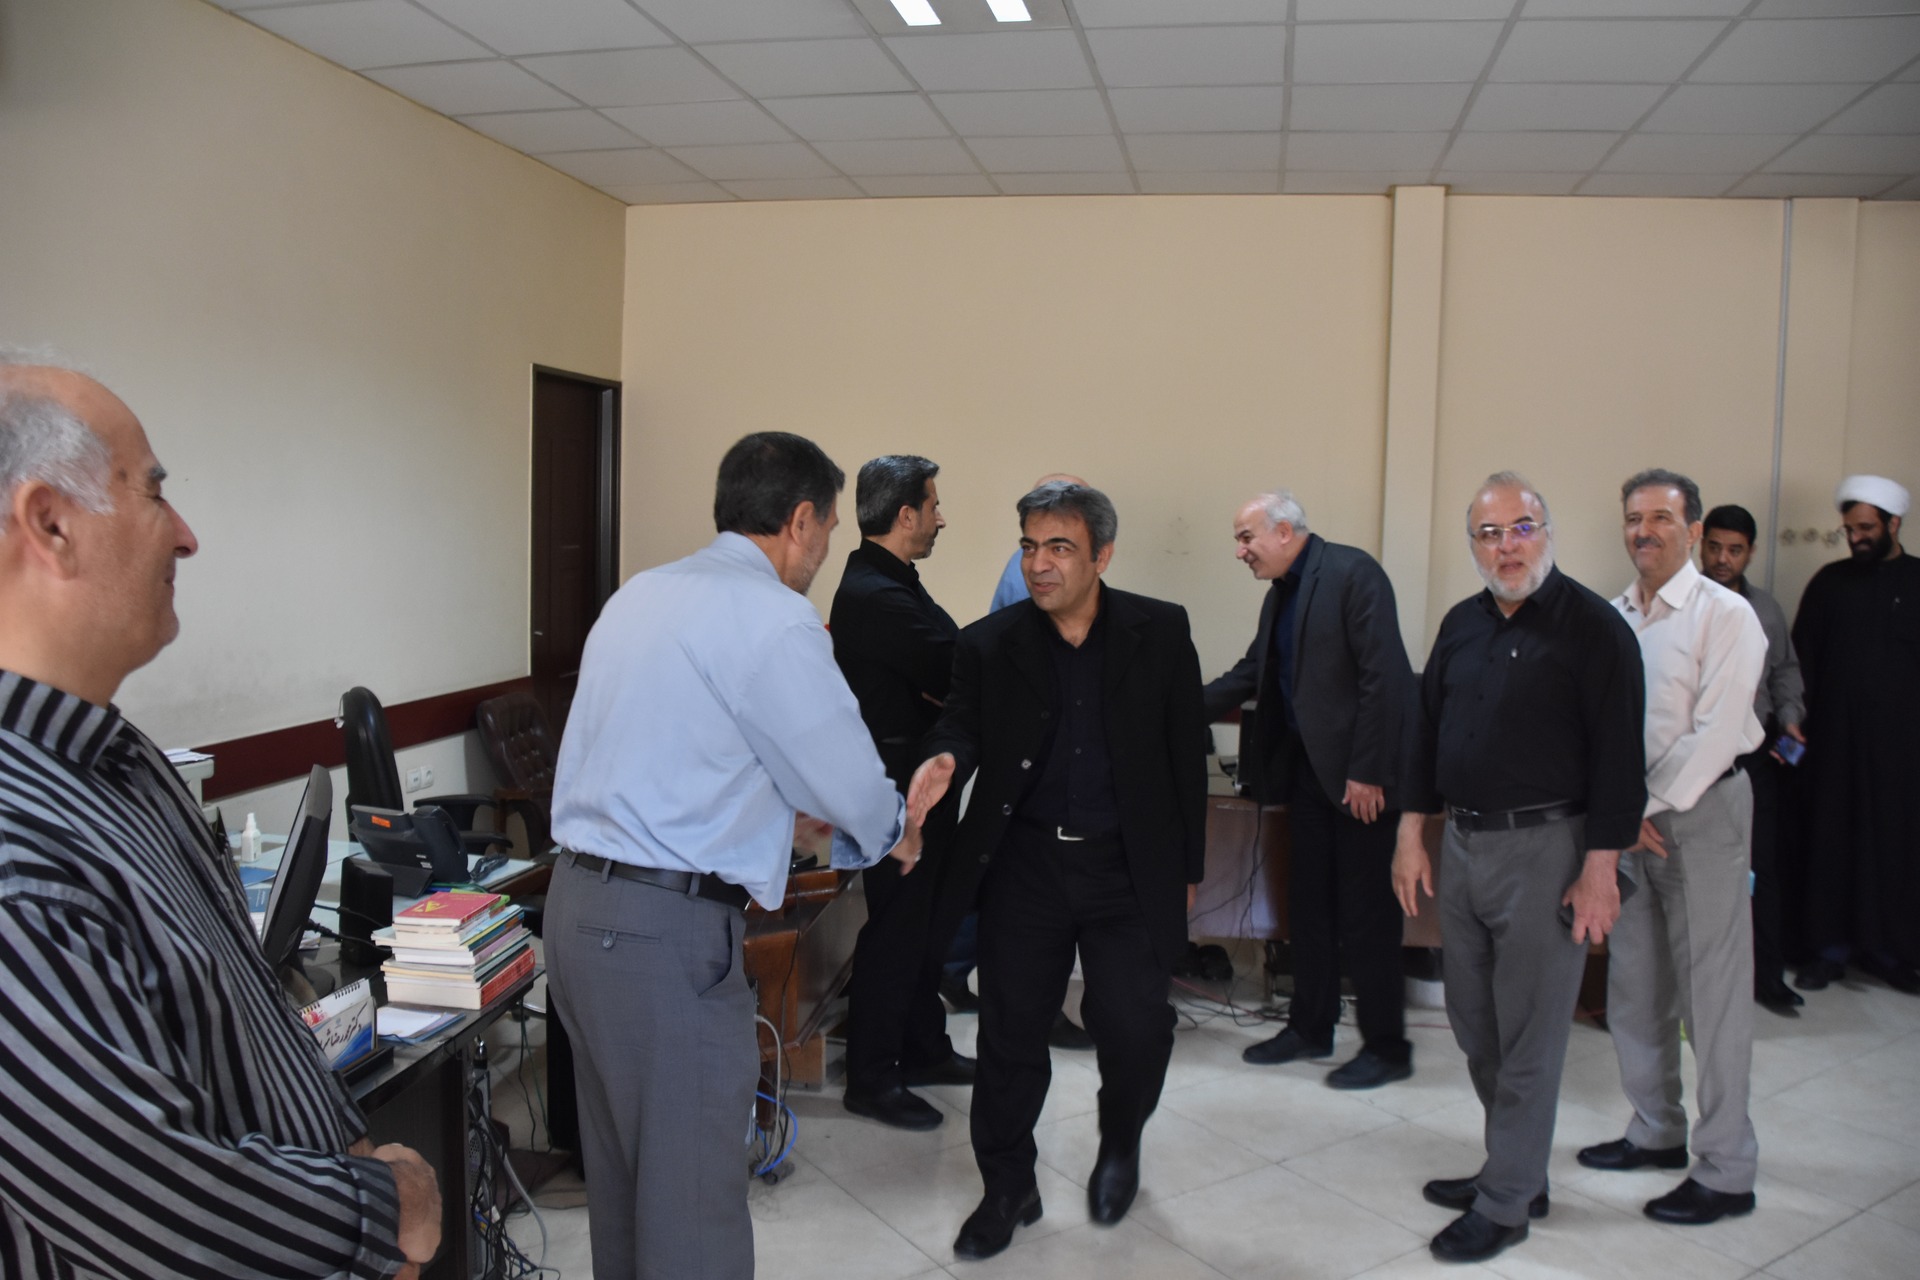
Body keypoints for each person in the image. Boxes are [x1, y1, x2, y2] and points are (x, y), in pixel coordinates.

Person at [0, 352, 440, 1279]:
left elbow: (239, 1023)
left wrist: (348, 1150)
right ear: (51, 524)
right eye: (155, 493)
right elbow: (141, 1194)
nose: (186, 536)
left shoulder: (122, 759)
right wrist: (378, 1210)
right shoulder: (18, 846)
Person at [545, 432, 922, 1280]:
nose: (824, 551)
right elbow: (850, 785)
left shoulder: (641, 594)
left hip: (577, 912)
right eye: (829, 529)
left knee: (626, 1186)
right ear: (800, 520)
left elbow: (678, 764)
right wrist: (895, 825)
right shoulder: (772, 617)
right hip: (663, 936)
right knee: (692, 1204)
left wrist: (775, 819)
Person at [908, 482, 1206, 1260]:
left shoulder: (1160, 631)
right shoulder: (989, 643)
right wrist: (945, 758)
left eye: (1059, 548)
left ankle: (1120, 1142)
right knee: (1010, 1037)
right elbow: (960, 725)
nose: (1038, 564)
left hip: (1126, 868)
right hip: (1026, 867)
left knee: (1136, 1026)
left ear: (1102, 555)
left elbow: (1186, 755)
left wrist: (1189, 869)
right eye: (1029, 546)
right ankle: (1008, 1186)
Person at [1393, 471, 1646, 1265]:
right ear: (1473, 545)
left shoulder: (1596, 630)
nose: (1508, 546)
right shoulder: (1460, 625)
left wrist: (1599, 869)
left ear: (1548, 532)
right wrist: (1410, 833)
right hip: (1464, 845)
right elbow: (1424, 733)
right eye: (1490, 533)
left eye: (1523, 528)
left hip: (1550, 849)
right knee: (1476, 1026)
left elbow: (1620, 760)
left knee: (1532, 1035)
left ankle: (1506, 1203)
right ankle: (1517, 1166)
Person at [1577, 470, 1767, 1227]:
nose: (1644, 530)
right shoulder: (1613, 616)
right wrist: (1619, 816)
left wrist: (1634, 809)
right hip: (1631, 827)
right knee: (1635, 986)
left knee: (1711, 998)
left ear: (1692, 531)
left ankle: (1726, 1169)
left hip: (1703, 816)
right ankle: (1655, 1129)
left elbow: (1715, 735)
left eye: (1661, 517)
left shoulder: (1727, 615)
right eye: (1633, 517)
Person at [1202, 491, 1416, 1089]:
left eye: (1246, 538)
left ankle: (1387, 1048)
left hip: (1359, 783)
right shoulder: (1282, 595)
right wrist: (1176, 708)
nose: (1241, 551)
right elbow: (1252, 673)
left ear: (1284, 531)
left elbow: (1384, 677)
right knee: (1310, 909)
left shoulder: (1352, 573)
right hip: (1309, 777)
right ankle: (1310, 1026)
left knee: (1368, 917)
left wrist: (1368, 771)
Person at [831, 454, 974, 1131]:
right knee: (896, 931)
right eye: (933, 506)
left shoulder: (895, 581)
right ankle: (871, 1076)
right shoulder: (873, 593)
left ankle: (923, 1048)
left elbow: (952, 662)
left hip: (918, 778)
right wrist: (947, 688)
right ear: (905, 513)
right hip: (893, 791)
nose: (941, 519)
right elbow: (953, 668)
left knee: (924, 925)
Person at [967, 470, 1098, 1053]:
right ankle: (1031, 1010)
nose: (1040, 559)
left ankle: (957, 967)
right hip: (1031, 759)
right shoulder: (1035, 577)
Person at [1791, 474, 1920, 994]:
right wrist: (1795, 727)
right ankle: (1828, 951)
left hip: (1902, 757)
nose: (1856, 538)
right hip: (1834, 750)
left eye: (1866, 528)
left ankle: (1890, 953)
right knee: (1832, 846)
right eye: (1850, 529)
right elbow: (1800, 662)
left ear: (1894, 523)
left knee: (1894, 850)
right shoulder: (1830, 583)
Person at [1698, 504, 1807, 1015]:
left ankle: (1767, 977)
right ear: (1700, 544)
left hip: (1754, 755)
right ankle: (1701, 981)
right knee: (1696, 872)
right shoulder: (1681, 602)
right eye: (1715, 547)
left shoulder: (1765, 610)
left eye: (1735, 550)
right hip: (1695, 757)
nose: (1723, 559)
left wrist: (1791, 719)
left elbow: (1784, 671)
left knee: (1761, 865)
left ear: (1751, 552)